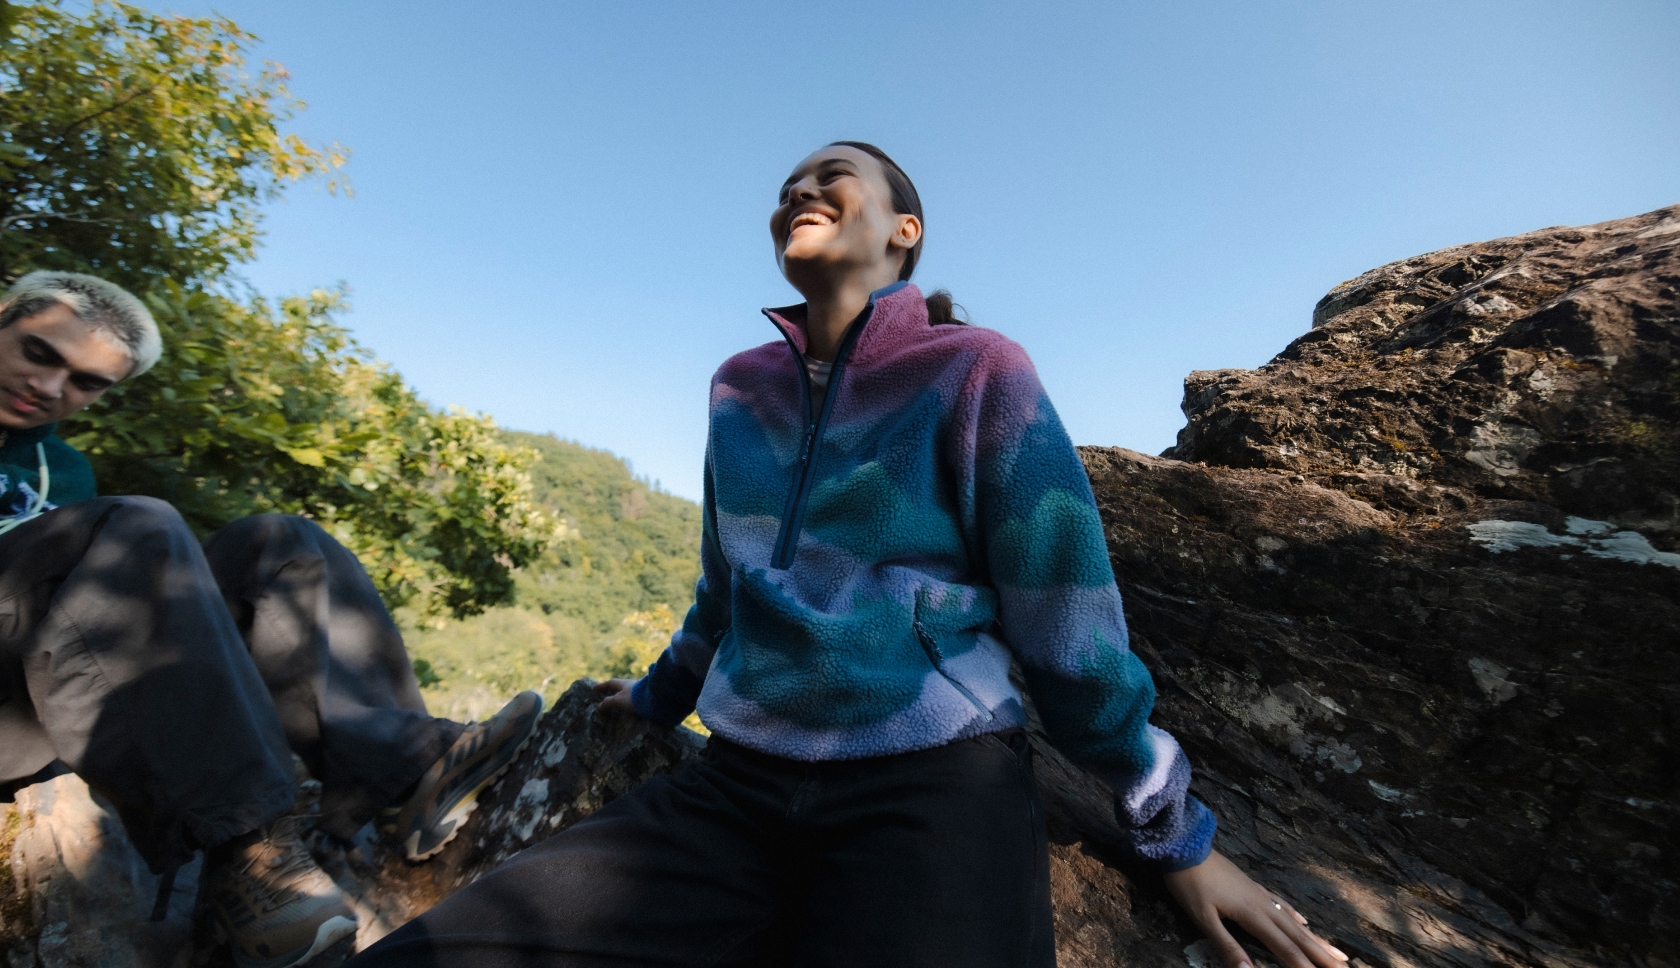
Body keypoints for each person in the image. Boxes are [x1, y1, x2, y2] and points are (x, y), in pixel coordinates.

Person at [351, 143, 1352, 968]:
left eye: (830, 175)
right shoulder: (737, 390)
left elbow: (1065, 612)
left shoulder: (976, 368)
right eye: (786, 185)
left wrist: (1172, 833)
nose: (797, 190)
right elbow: (725, 585)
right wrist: (655, 698)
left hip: (934, 786)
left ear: (902, 231)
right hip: (730, 788)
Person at [0, 271, 544, 968]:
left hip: (35, 691)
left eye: (86, 383)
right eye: (40, 354)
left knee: (280, 546)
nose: (52, 390)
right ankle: (252, 856)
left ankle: (403, 772)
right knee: (137, 523)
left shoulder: (61, 470)